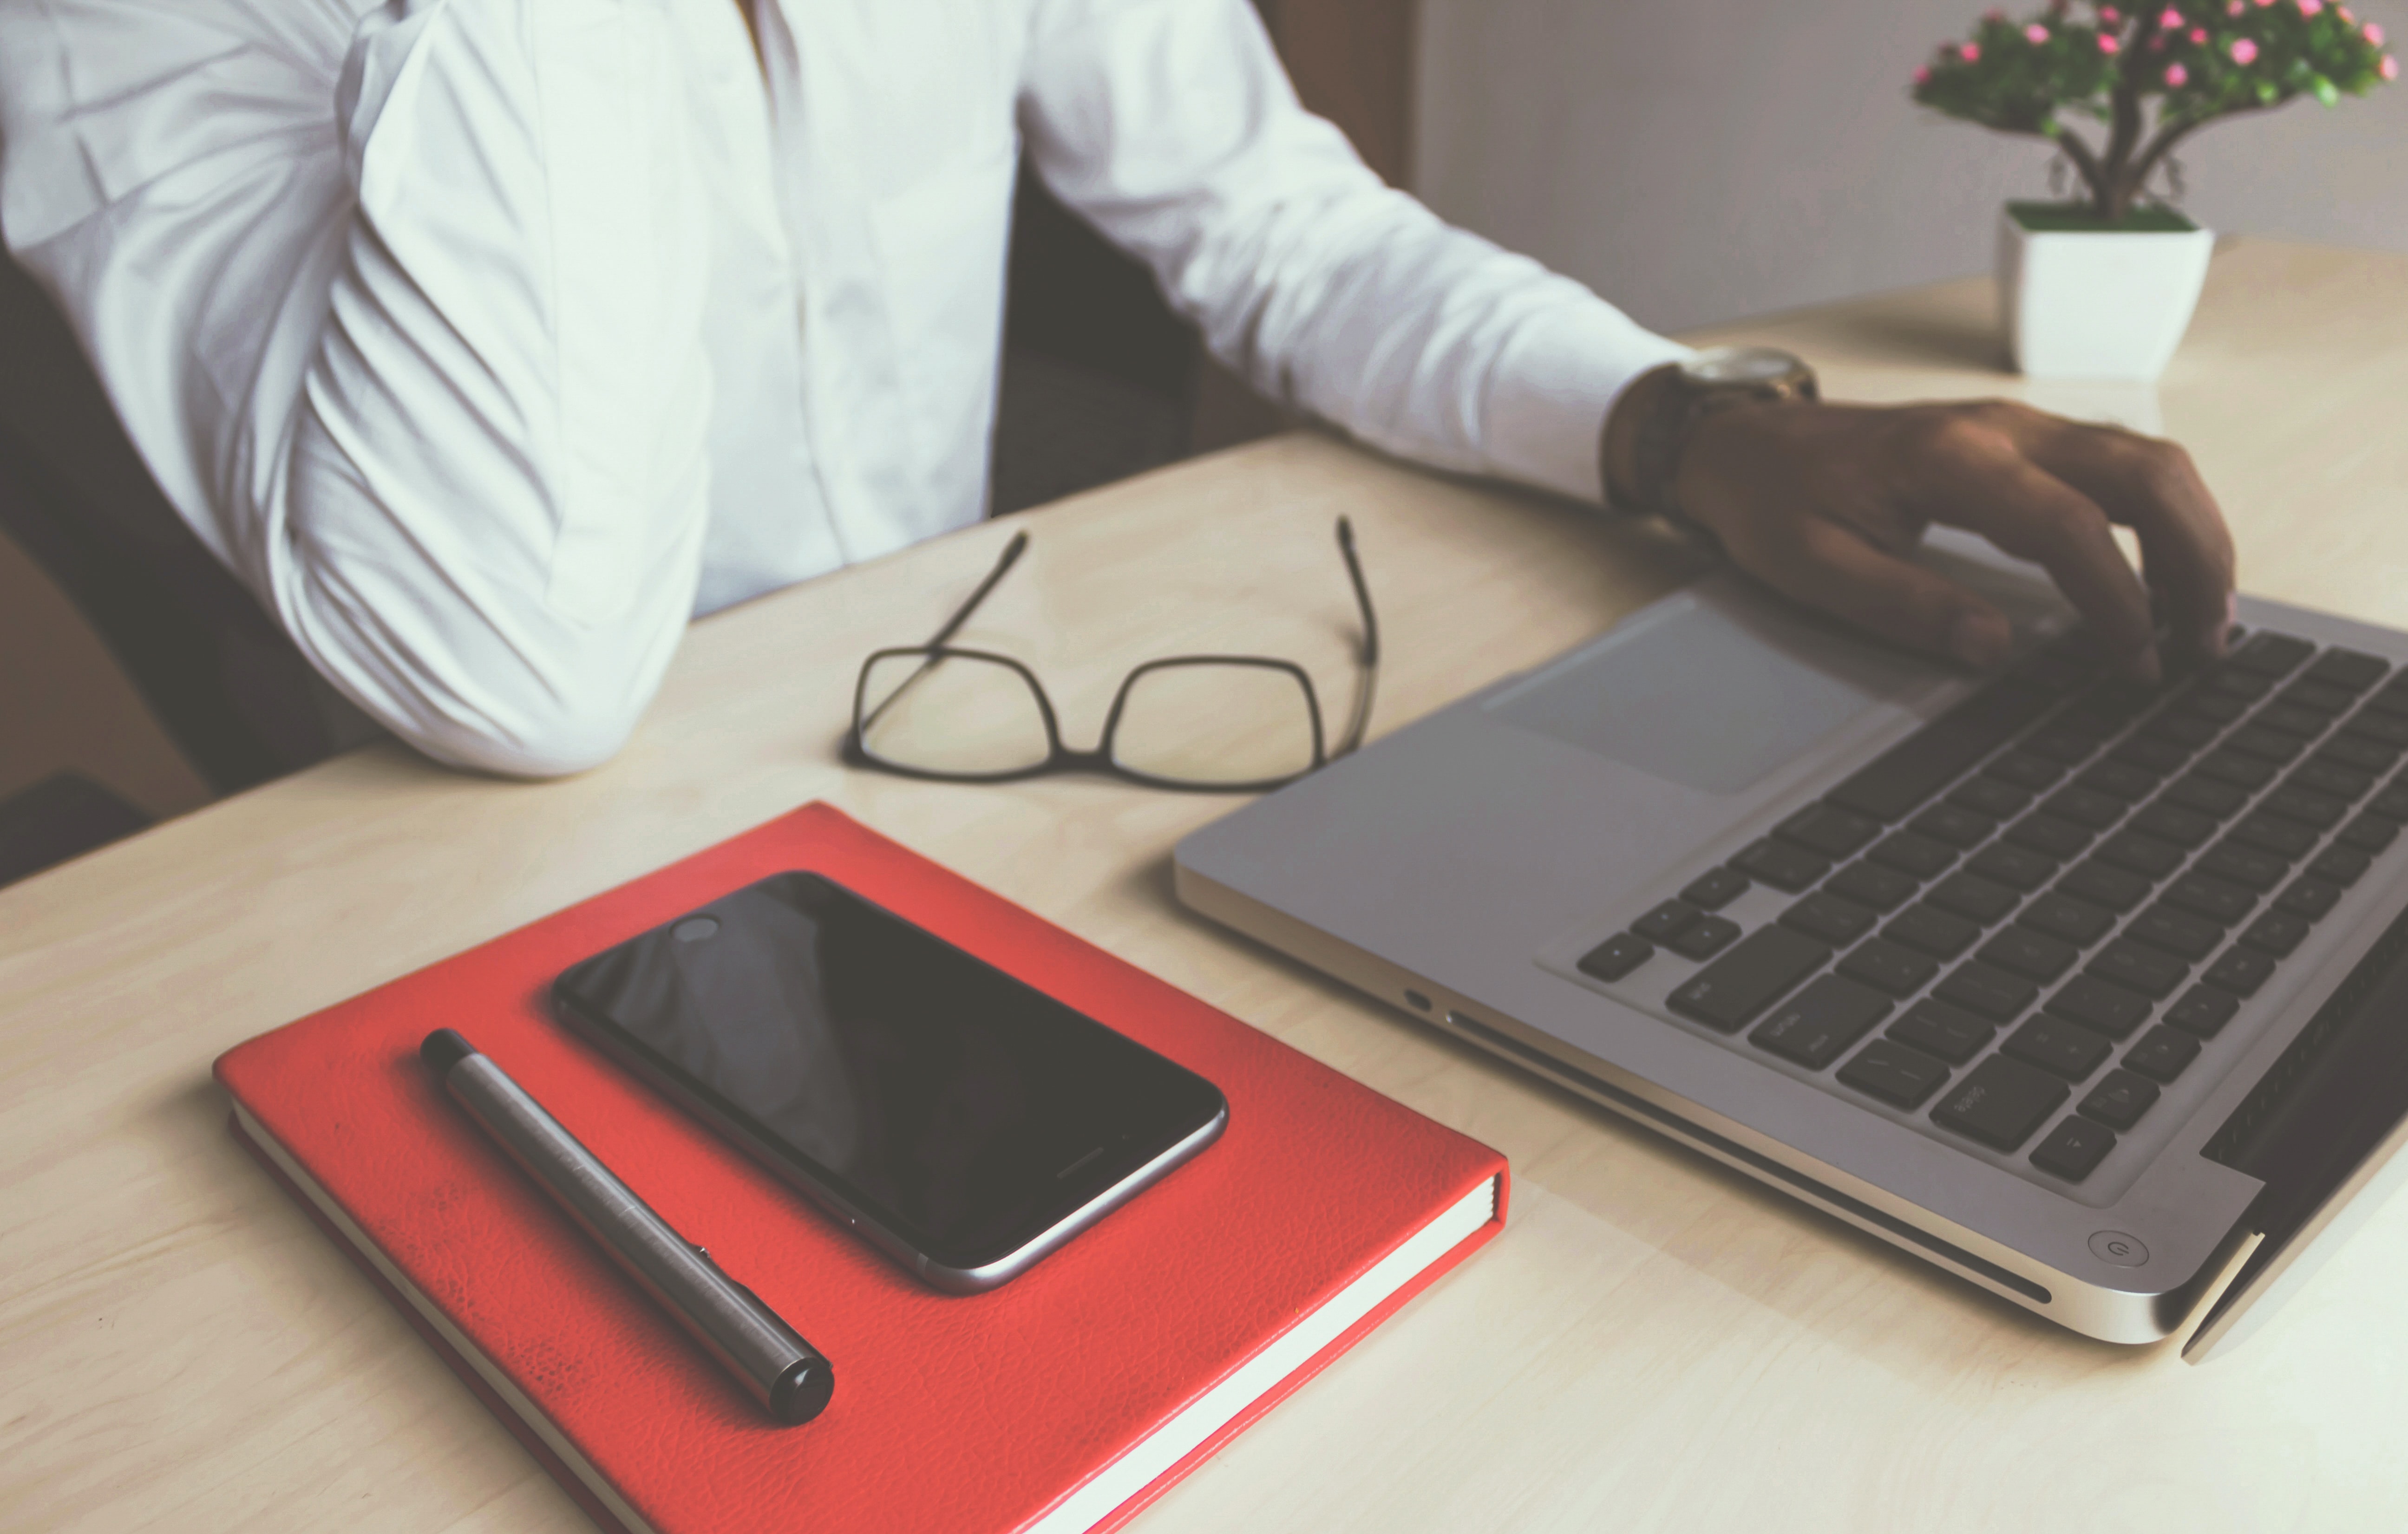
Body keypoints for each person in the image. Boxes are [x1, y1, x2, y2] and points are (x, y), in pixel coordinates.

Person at [0, 0, 2233, 779]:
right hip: (472, 884)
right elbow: (514, 669)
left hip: (954, 753)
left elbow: (1271, 216)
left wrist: (1683, 428)